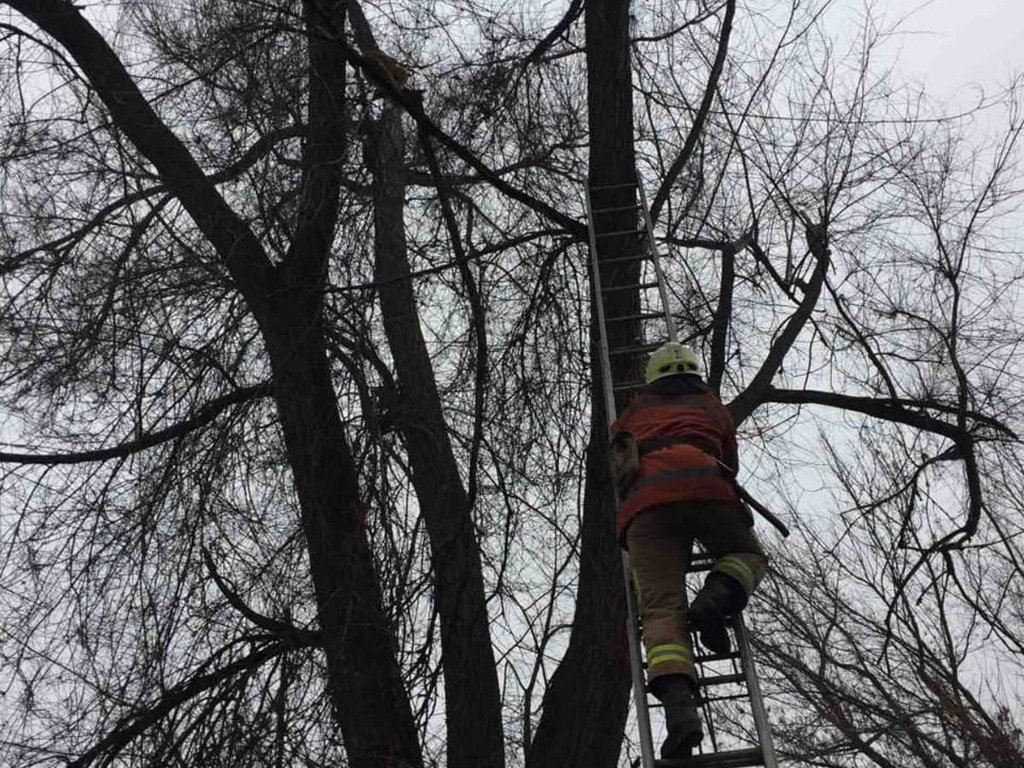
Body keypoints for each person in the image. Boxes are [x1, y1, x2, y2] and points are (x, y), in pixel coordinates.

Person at [609, 341, 768, 759]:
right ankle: (715, 597)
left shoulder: (633, 411)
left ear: (652, 378)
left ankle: (682, 712)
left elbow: (616, 455)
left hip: (646, 506)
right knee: (747, 555)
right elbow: (730, 458)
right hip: (707, 484)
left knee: (660, 610)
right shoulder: (713, 406)